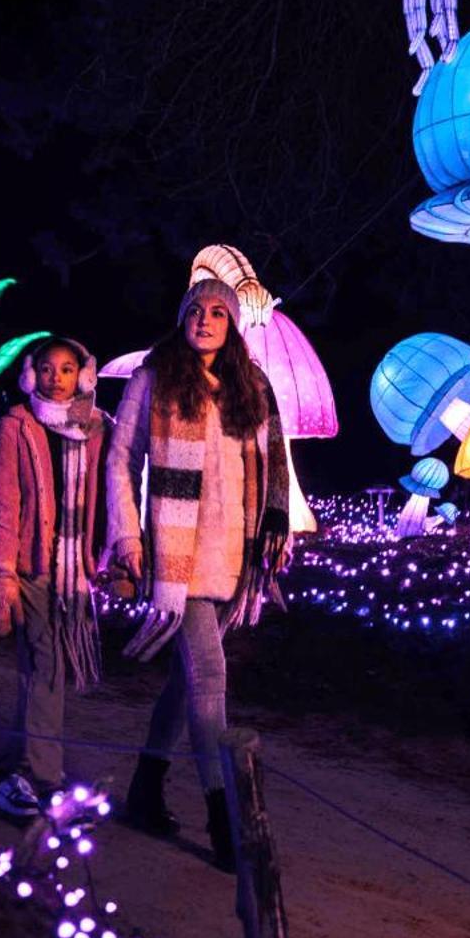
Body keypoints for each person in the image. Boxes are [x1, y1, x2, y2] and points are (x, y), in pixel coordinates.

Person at [105, 277, 291, 870]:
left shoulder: (251, 385)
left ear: (232, 324)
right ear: (181, 315)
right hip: (175, 557)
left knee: (186, 682)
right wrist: (128, 536)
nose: (206, 319)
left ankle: (144, 789)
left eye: (218, 312)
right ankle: (224, 821)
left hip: (233, 556)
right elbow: (120, 460)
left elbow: (274, 463)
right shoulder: (154, 377)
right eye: (196, 309)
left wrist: (273, 530)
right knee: (210, 677)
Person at [0, 336, 108, 820]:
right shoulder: (17, 424)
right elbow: (5, 506)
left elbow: (105, 496)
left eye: (68, 368)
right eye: (47, 368)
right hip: (31, 567)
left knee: (43, 672)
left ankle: (10, 768)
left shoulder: (95, 427)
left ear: (84, 375)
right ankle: (47, 780)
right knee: (47, 664)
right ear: (31, 375)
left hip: (73, 570)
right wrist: (1, 577)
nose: (57, 377)